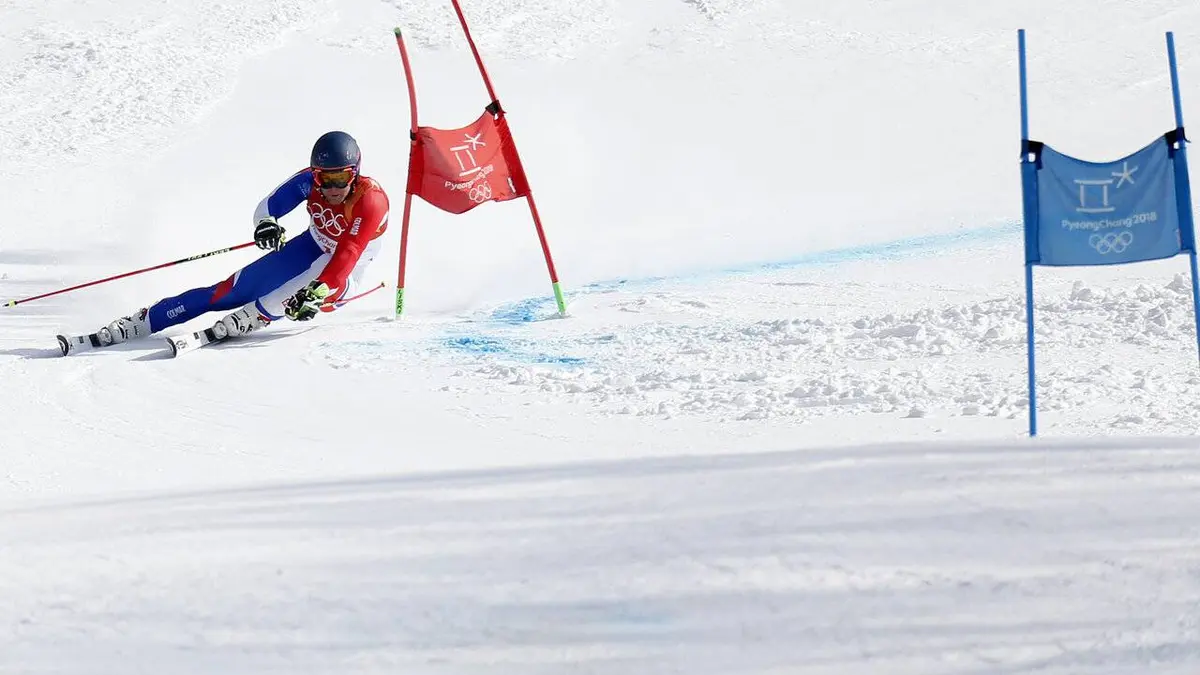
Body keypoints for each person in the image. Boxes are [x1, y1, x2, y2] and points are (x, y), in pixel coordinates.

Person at [97, 130, 389, 345]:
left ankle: (257, 314)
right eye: (324, 178)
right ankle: (148, 319)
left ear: (355, 173)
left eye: (341, 178)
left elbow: (348, 253)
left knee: (310, 285)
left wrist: (319, 290)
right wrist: (266, 224)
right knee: (228, 292)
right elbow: (269, 205)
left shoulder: (370, 201)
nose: (332, 187)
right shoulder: (308, 182)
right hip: (310, 245)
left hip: (346, 272)